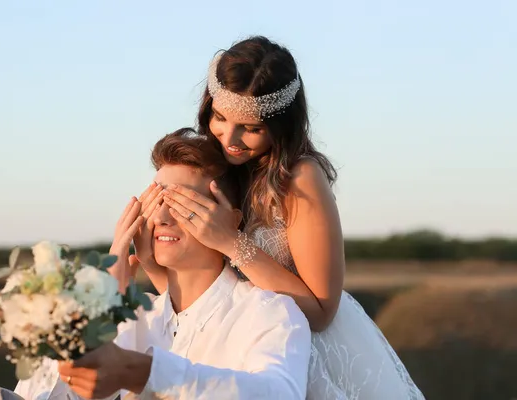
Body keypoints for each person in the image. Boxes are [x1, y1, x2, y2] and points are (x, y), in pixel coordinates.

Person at [128, 37, 425, 399]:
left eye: (250, 128)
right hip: (239, 341)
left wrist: (230, 242)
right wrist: (150, 260)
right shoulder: (221, 166)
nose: (230, 138)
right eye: (220, 117)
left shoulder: (300, 178)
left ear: (281, 126)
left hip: (306, 358)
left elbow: (320, 313)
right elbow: (207, 299)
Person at [0, 128, 314, 400]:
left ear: (230, 219)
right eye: (156, 198)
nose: (162, 215)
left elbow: (279, 393)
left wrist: (143, 371)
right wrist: (97, 301)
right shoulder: (135, 315)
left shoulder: (267, 312)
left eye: (182, 202)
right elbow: (36, 395)